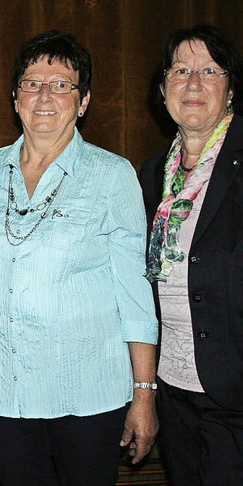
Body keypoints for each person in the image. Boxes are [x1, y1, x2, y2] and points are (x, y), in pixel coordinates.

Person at [0, 30, 159, 486]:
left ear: (84, 100)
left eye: (62, 84)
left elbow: (135, 295)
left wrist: (144, 394)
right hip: (1, 389)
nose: (45, 95)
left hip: (86, 393)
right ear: (15, 98)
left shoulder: (113, 176)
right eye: (32, 83)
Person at [141, 25, 243, 485]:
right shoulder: (150, 175)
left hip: (235, 391)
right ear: (164, 89)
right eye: (181, 71)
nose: (194, 84)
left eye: (209, 71)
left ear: (231, 88)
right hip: (173, 387)